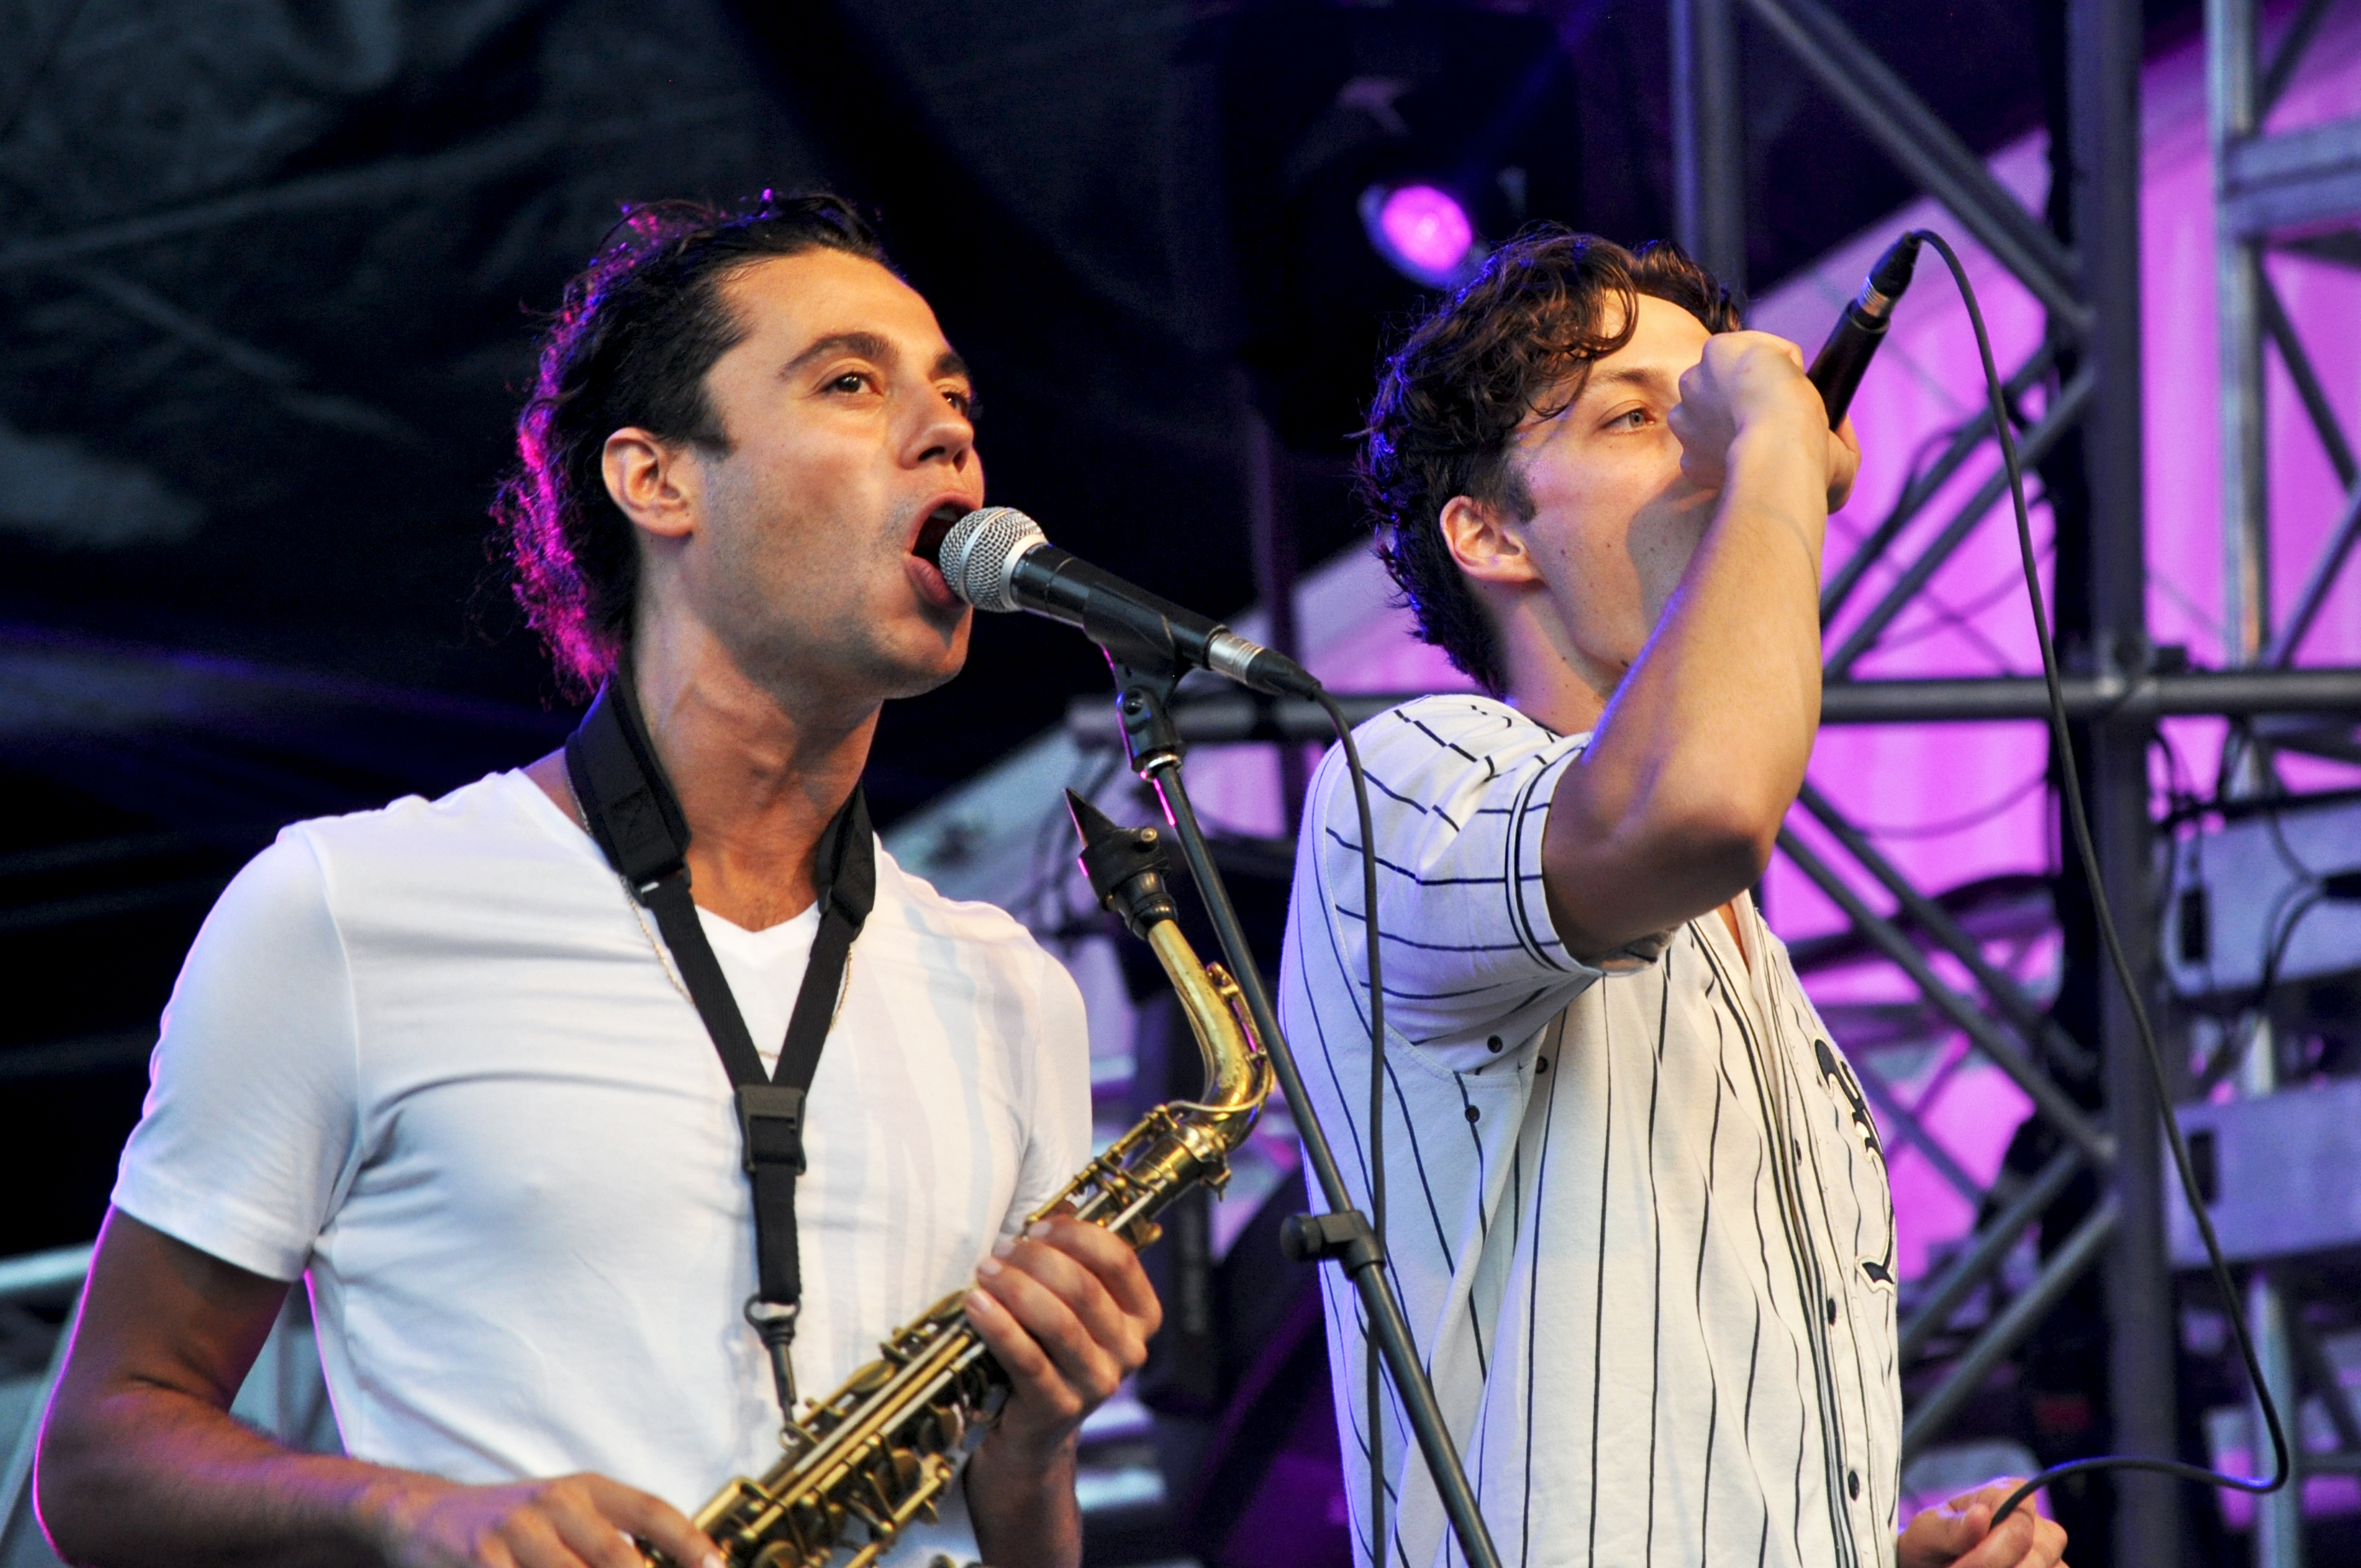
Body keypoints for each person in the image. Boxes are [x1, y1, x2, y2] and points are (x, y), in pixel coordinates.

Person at [35, 194, 1157, 1568]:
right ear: (655, 479)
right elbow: (98, 1456)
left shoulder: (1011, 987)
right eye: (850, 383)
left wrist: (1031, 1459)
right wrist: (410, 1510)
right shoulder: (347, 906)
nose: (947, 435)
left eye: (955, 400)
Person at [1278, 230, 2069, 1568]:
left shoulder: (1751, 966)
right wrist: (1772, 444)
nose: (1703, 443)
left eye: (1702, 403)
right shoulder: (1410, 777)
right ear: (1490, 531)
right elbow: (1696, 803)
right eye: (1636, 417)